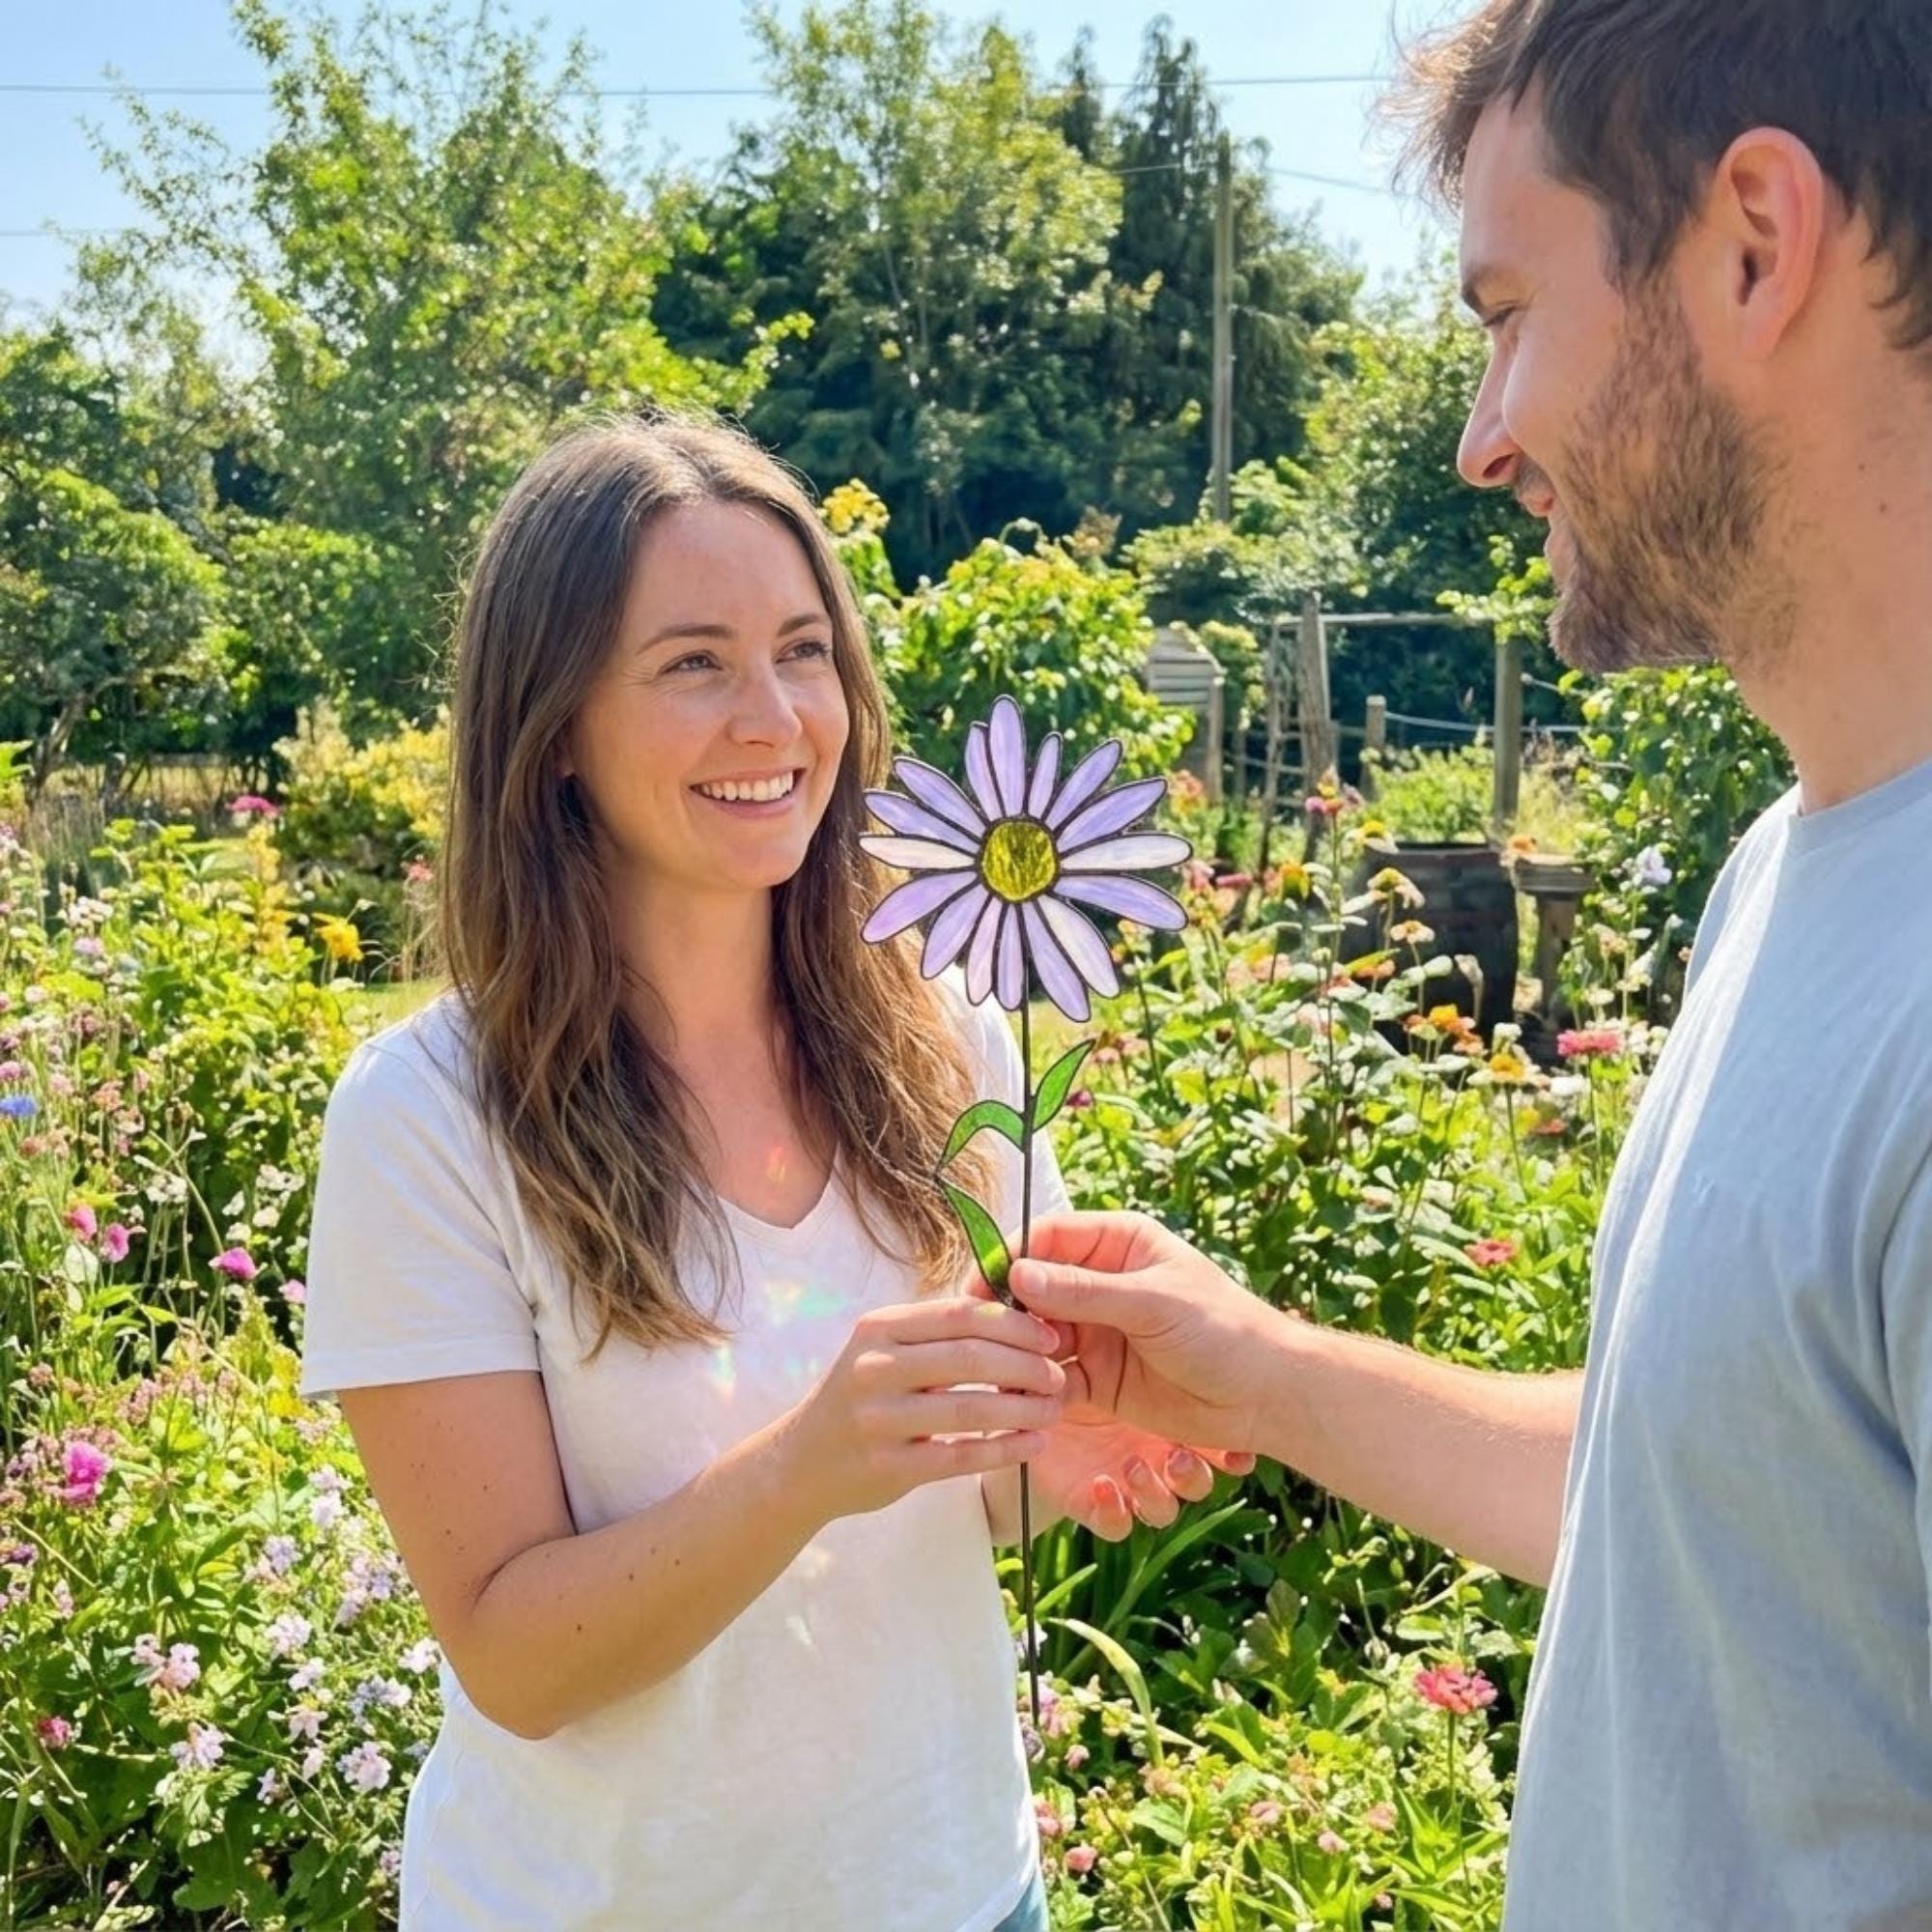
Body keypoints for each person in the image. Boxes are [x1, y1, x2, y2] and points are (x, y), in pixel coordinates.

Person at [1009, 4, 1932, 1926]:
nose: (1481, 437)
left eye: (1508, 314)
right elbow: (1723, 1502)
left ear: (1754, 243)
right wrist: (1261, 1374)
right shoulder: (1790, 869)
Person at [298, 415, 1241, 1930]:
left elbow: (954, 1495)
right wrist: (805, 1466)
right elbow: (514, 1657)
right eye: (694, 664)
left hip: (958, 1889)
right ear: (553, 727)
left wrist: (1040, 1460)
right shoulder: (428, 1118)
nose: (777, 718)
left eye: (805, 652)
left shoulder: (948, 1036)